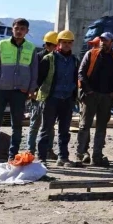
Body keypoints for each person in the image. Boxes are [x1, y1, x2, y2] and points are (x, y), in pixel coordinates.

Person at [0, 18, 38, 167]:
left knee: (17, 124)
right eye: (16, 28)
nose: (19, 31)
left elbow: (34, 71)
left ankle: (13, 156)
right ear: (12, 29)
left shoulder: (31, 48)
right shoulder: (2, 45)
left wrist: (31, 89)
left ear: (27, 31)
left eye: (22, 29)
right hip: (1, 89)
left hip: (20, 91)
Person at [76, 31, 113, 167]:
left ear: (112, 42)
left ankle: (97, 156)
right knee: (84, 126)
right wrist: (88, 90)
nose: (102, 42)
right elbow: (81, 73)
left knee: (101, 127)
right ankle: (81, 154)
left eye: (106, 40)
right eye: (101, 40)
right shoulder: (91, 54)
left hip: (106, 97)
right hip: (91, 95)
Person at [33, 30, 77, 168]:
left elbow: (76, 79)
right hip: (51, 98)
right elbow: (39, 79)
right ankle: (42, 158)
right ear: (58, 43)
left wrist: (74, 97)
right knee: (46, 129)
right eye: (64, 42)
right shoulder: (49, 59)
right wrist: (38, 94)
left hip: (67, 98)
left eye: (69, 42)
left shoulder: (75, 60)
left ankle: (63, 157)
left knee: (64, 131)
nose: (67, 45)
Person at [28, 31, 58, 158]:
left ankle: (48, 150)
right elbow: (33, 75)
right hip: (38, 95)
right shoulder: (39, 57)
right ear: (46, 45)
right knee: (35, 123)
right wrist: (33, 91)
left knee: (49, 125)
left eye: (56, 45)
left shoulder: (58, 58)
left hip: (52, 96)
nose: (54, 48)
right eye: (52, 45)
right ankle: (30, 150)